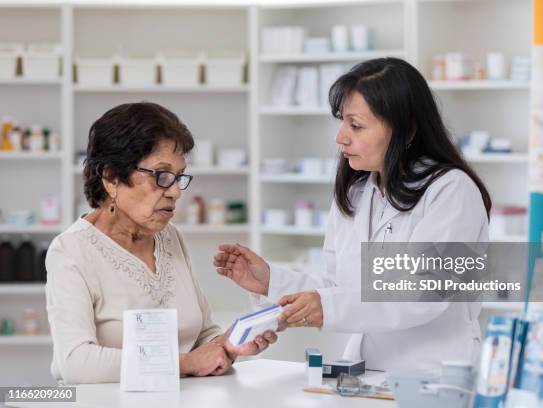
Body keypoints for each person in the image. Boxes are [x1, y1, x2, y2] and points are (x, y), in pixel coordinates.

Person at [214, 58, 490, 371]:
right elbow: (336, 284)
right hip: (365, 368)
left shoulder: (451, 191)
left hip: (433, 373)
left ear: (407, 128)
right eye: (342, 122)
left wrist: (327, 307)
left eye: (355, 125)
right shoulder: (358, 192)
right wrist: (271, 282)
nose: (340, 137)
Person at [45, 102, 276, 384]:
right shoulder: (71, 251)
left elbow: (203, 334)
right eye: (162, 176)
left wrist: (228, 346)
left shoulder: (170, 238)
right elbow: (76, 363)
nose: (176, 192)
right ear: (111, 177)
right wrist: (184, 363)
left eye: (179, 177)